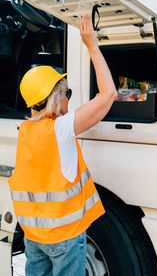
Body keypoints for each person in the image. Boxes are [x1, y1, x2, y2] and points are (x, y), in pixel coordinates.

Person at [8, 16, 117, 276]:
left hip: (34, 237)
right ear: (55, 100)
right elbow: (109, 94)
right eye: (66, 93)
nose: (69, 98)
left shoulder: (25, 130)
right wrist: (91, 45)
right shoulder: (61, 128)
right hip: (64, 238)